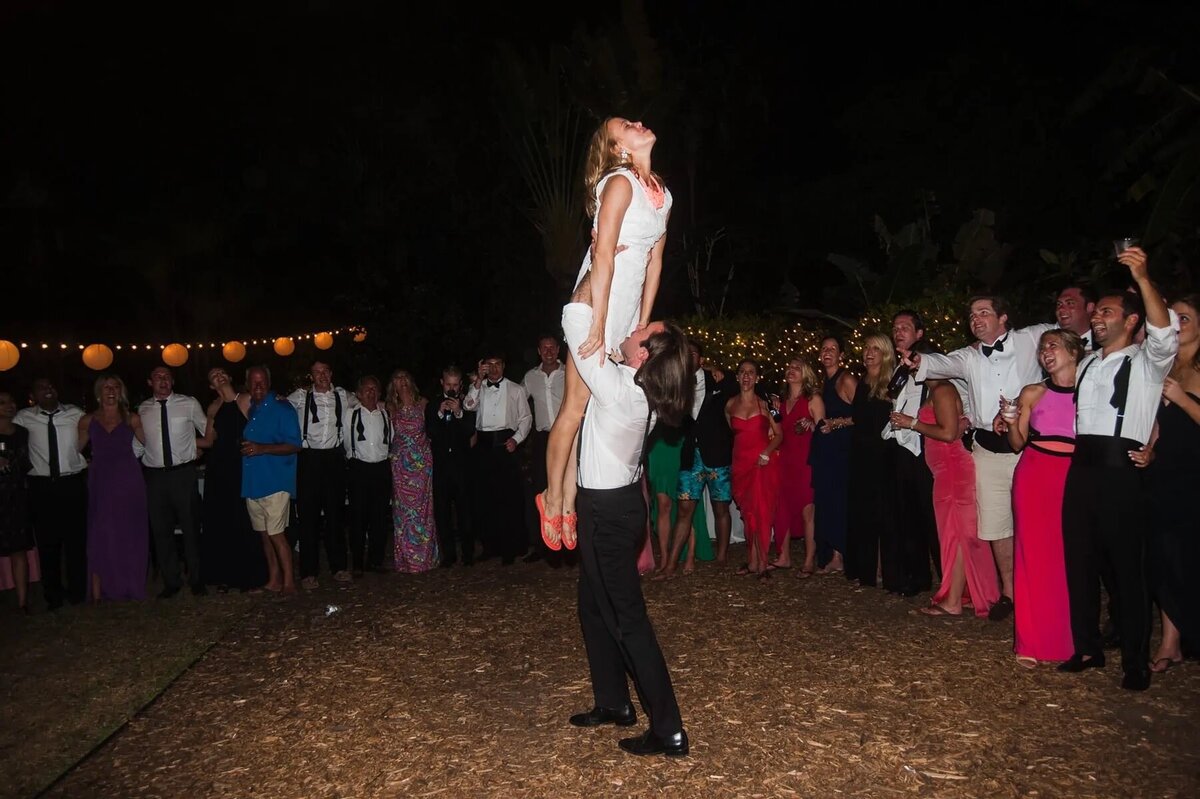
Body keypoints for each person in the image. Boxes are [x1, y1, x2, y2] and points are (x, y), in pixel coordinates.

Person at [560, 299, 691, 758]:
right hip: (616, 510)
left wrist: (602, 291)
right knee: (594, 609)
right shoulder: (637, 386)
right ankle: (614, 702)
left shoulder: (620, 389)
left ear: (644, 356)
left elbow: (574, 318)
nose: (635, 327)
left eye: (643, 328)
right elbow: (611, 352)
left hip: (609, 515)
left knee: (628, 622)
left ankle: (669, 729)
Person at [538, 117, 671, 552]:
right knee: (575, 408)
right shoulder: (618, 183)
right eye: (625, 125)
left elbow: (655, 264)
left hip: (624, 310)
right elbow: (603, 257)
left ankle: (569, 498)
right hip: (597, 300)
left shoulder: (662, 195)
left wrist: (640, 326)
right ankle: (555, 497)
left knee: (591, 410)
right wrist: (597, 323)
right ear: (618, 148)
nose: (637, 122)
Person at [1058, 247, 1177, 691]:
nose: (1097, 318)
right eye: (1097, 312)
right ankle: (1087, 648)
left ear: (1131, 321)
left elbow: (1165, 335)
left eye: (1106, 311)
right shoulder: (1088, 362)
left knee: (1129, 567)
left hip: (1121, 469)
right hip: (1082, 468)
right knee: (1080, 561)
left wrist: (1144, 278)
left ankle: (1135, 659)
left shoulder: (1147, 361)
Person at [908, 296, 1052, 619]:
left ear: (1003, 317)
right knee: (996, 526)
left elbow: (1066, 337)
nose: (976, 318)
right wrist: (920, 362)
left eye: (983, 312)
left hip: (1026, 448)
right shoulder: (969, 356)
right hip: (986, 451)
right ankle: (1009, 595)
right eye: (972, 314)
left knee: (1033, 521)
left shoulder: (1030, 338)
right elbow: (942, 363)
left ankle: (1039, 590)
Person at [1001, 330, 1082, 663]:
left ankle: (1068, 641)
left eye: (1055, 345)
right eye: (1043, 348)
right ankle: (1030, 642)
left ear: (1075, 351)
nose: (1046, 352)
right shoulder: (1032, 392)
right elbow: (1017, 443)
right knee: (1032, 556)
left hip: (1075, 476)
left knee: (1068, 557)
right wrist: (1009, 422)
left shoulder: (1093, 389)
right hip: (1035, 474)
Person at [892, 377, 996, 617]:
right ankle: (964, 593)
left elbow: (949, 434)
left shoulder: (944, 389)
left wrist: (913, 423)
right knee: (954, 534)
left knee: (958, 534)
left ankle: (953, 600)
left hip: (953, 470)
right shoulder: (935, 390)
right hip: (945, 471)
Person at [1136, 294, 1200, 673]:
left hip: (1194, 470)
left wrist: (1181, 397)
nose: (1178, 324)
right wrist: (1150, 446)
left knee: (1186, 555)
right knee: (1159, 556)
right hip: (1163, 468)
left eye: (1186, 318)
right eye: (1173, 319)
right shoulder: (1163, 364)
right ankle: (1170, 642)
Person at [15, 378, 87, 609]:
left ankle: (78, 591)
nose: (48, 390)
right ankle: (53, 595)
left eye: (51, 386)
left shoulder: (75, 413)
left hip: (72, 483)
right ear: (33, 395)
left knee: (76, 541)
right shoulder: (24, 418)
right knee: (48, 544)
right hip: (41, 487)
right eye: (42, 387)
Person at [666, 340, 737, 568]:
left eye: (692, 353)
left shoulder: (718, 380)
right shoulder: (677, 385)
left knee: (721, 508)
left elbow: (745, 385)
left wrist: (716, 370)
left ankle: (722, 557)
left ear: (701, 359)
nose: (687, 357)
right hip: (690, 456)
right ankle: (671, 563)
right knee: (684, 510)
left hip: (717, 455)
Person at [138, 367, 208, 598]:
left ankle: (197, 579)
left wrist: (195, 447)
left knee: (190, 527)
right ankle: (172, 581)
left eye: (167, 377)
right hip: (155, 476)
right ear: (150, 382)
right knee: (161, 530)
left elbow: (207, 430)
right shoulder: (142, 409)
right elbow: (139, 443)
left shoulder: (188, 403)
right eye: (157, 377)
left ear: (173, 381)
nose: (163, 380)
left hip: (183, 474)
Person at [77, 375, 148, 601]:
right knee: (101, 532)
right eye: (106, 387)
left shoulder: (132, 418)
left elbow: (150, 446)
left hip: (128, 479)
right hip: (101, 480)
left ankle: (131, 585)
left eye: (115, 387)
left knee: (129, 531)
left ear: (121, 392)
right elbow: (74, 450)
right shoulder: (87, 420)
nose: (111, 391)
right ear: (99, 392)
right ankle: (99, 592)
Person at [288, 360, 357, 589]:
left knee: (335, 515)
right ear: (311, 376)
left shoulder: (343, 396)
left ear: (331, 373)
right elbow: (278, 408)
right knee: (308, 517)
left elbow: (368, 402)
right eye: (317, 372)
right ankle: (309, 572)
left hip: (334, 459)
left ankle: (339, 567)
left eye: (325, 371)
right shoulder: (299, 397)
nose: (322, 375)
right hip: (308, 460)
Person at [882, 310, 936, 595]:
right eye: (895, 327)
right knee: (908, 515)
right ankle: (918, 577)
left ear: (919, 334)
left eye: (905, 327)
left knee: (931, 516)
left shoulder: (932, 363)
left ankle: (950, 582)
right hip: (902, 445)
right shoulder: (897, 367)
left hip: (926, 445)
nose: (899, 331)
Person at [199, 367, 266, 592]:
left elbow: (262, 430)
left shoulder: (246, 400)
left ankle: (249, 577)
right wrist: (173, 441)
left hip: (243, 466)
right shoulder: (213, 408)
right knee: (222, 521)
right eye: (213, 376)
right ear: (211, 386)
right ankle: (224, 576)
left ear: (229, 377)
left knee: (245, 521)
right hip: (219, 469)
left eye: (221, 373)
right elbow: (208, 441)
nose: (218, 376)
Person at [463, 355, 531, 564]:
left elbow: (526, 418)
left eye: (497, 364)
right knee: (484, 498)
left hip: (505, 445)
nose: (493, 369)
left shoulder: (516, 390)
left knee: (508, 499)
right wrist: (476, 382)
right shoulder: (479, 387)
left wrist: (516, 440)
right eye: (488, 365)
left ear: (503, 366)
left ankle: (509, 549)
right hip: (483, 447)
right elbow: (468, 406)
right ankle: (489, 547)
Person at [241, 366, 302, 594]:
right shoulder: (252, 409)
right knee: (264, 535)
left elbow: (295, 444)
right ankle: (274, 580)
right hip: (254, 482)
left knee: (277, 534)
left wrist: (261, 448)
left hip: (276, 481)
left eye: (262, 382)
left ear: (269, 382)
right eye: (254, 382)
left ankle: (289, 583)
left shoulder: (283, 408)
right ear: (247, 384)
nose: (258, 386)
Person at [843, 334, 896, 589]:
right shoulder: (862, 383)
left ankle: (885, 569)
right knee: (863, 512)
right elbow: (858, 419)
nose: (868, 352)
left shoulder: (892, 382)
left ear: (885, 352)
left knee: (883, 513)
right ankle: (865, 569)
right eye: (866, 348)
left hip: (884, 454)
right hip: (861, 454)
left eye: (875, 348)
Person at [727, 359, 782, 580]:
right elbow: (732, 433)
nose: (747, 376)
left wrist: (767, 452)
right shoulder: (730, 404)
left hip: (762, 462)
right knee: (747, 513)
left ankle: (762, 563)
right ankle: (752, 560)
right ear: (738, 377)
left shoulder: (766, 404)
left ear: (757, 377)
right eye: (743, 372)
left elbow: (779, 434)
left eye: (751, 372)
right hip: (741, 463)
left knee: (761, 512)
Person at [809, 335, 856, 574]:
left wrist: (836, 423)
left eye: (833, 348)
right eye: (824, 348)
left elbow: (863, 414)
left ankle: (842, 554)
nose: (827, 352)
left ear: (842, 355)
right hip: (828, 450)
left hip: (844, 450)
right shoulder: (823, 383)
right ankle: (831, 554)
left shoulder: (846, 379)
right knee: (827, 502)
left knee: (840, 502)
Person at [772, 356, 823, 575]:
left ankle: (810, 558)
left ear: (806, 374)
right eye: (790, 367)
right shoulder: (781, 402)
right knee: (781, 507)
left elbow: (824, 430)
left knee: (807, 509)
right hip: (784, 459)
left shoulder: (813, 399)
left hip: (806, 460)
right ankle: (784, 556)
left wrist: (812, 424)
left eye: (797, 368)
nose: (791, 370)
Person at [387, 370, 439, 573]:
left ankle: (425, 559)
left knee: (423, 510)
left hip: (422, 462)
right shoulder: (390, 407)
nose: (402, 381)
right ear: (393, 384)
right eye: (397, 378)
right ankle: (407, 560)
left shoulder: (423, 403)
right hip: (401, 464)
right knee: (404, 513)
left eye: (405, 377)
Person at [425, 366, 476, 567]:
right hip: (441, 467)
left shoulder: (467, 404)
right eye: (448, 384)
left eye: (455, 384)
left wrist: (459, 413)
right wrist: (440, 413)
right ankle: (449, 555)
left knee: (465, 512)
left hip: (462, 467)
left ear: (460, 385)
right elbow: (430, 432)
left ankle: (468, 554)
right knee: (442, 512)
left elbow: (470, 431)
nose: (452, 388)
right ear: (442, 383)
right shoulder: (432, 405)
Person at [344, 375, 393, 576]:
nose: (371, 392)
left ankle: (376, 560)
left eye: (374, 389)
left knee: (379, 517)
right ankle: (357, 563)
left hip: (381, 468)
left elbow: (391, 439)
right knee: (358, 518)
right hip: (359, 468)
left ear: (379, 393)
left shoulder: (386, 414)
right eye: (366, 389)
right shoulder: (349, 415)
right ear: (358, 394)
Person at [523, 335, 565, 562]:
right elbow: (516, 401)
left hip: (567, 437)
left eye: (552, 348)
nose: (548, 352)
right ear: (539, 352)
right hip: (542, 439)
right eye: (544, 348)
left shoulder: (570, 374)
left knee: (569, 488)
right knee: (542, 490)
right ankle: (542, 546)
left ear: (558, 350)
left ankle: (570, 543)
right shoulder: (531, 377)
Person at [0, 390, 34, 613]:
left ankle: (22, 602)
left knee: (19, 550)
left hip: (17, 497)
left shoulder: (22, 433)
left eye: (12, 401)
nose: (10, 405)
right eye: (3, 402)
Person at [1056, 285, 1098, 351]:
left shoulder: (1104, 342)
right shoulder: (1040, 334)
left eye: (1070, 303)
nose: (1060, 309)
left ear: (1089, 307)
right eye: (1059, 304)